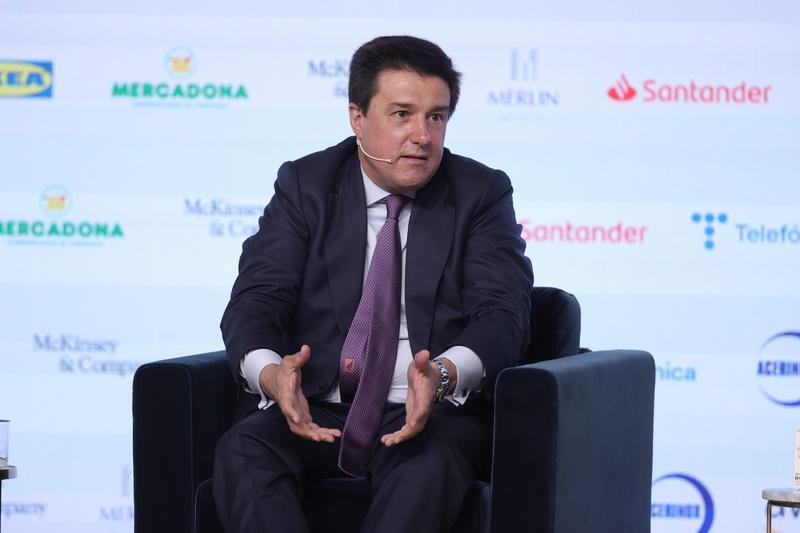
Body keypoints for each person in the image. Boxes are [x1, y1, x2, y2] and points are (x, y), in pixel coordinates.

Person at [214, 35, 533, 533]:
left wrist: (442, 374)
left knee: (430, 462)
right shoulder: (305, 185)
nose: (423, 136)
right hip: (317, 405)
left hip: (426, 412)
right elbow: (257, 300)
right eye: (402, 114)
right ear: (357, 117)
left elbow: (503, 314)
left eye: (436, 117)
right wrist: (272, 374)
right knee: (244, 449)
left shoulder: (480, 193)